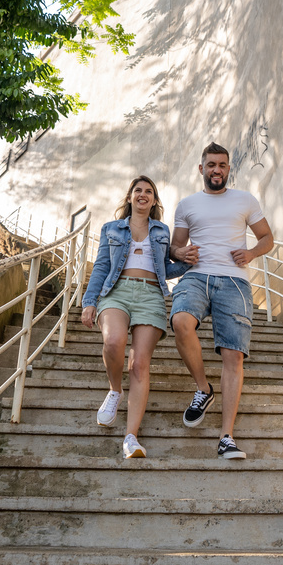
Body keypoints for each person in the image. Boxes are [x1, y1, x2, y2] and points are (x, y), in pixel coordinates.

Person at [169, 142, 274, 459]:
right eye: (211, 164)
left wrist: (252, 252)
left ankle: (226, 436)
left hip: (235, 281)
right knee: (180, 322)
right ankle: (203, 388)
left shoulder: (245, 200)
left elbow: (267, 237)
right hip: (197, 276)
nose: (217, 170)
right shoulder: (187, 205)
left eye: (222, 165)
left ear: (229, 169)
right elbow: (175, 247)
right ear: (201, 168)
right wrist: (181, 253)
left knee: (234, 355)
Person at [80, 176, 189, 458]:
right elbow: (102, 266)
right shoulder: (111, 229)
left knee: (140, 364)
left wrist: (188, 262)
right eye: (138, 190)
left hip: (151, 295)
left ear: (154, 201)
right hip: (116, 292)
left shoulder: (162, 230)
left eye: (149, 191)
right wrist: (89, 302)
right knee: (113, 341)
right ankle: (115, 391)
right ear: (130, 197)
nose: (143, 194)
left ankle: (131, 437)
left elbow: (166, 269)